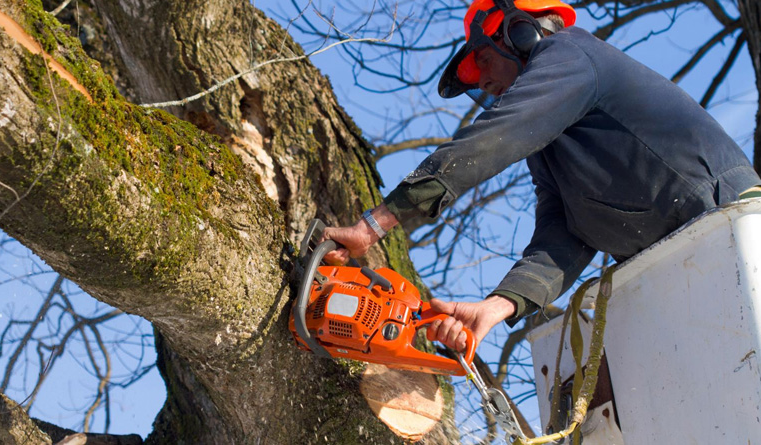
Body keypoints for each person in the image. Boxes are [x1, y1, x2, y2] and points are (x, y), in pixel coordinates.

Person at [323, 0, 761, 352]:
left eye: (483, 60)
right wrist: (497, 307)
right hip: (680, 262)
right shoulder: (552, 143)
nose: (484, 82)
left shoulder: (571, 54)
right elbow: (564, 233)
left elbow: (495, 137)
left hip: (729, 224)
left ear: (520, 32)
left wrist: (374, 223)